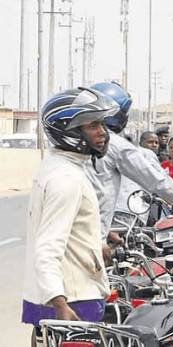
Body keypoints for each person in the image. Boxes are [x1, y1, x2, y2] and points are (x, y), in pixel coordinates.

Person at [22, 88, 117, 345]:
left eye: (102, 124)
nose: (103, 133)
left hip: (59, 293)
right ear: (69, 131)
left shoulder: (57, 167)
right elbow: (47, 247)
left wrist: (95, 244)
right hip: (73, 299)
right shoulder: (67, 179)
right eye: (93, 125)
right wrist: (60, 304)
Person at [86, 82, 173, 242]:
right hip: (118, 221)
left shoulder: (75, 146)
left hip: (90, 226)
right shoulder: (116, 146)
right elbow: (159, 182)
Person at [114, 131, 161, 224]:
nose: (154, 145)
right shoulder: (148, 154)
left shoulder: (120, 154)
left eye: (156, 143)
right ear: (140, 143)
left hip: (115, 208)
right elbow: (160, 183)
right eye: (150, 142)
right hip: (133, 210)